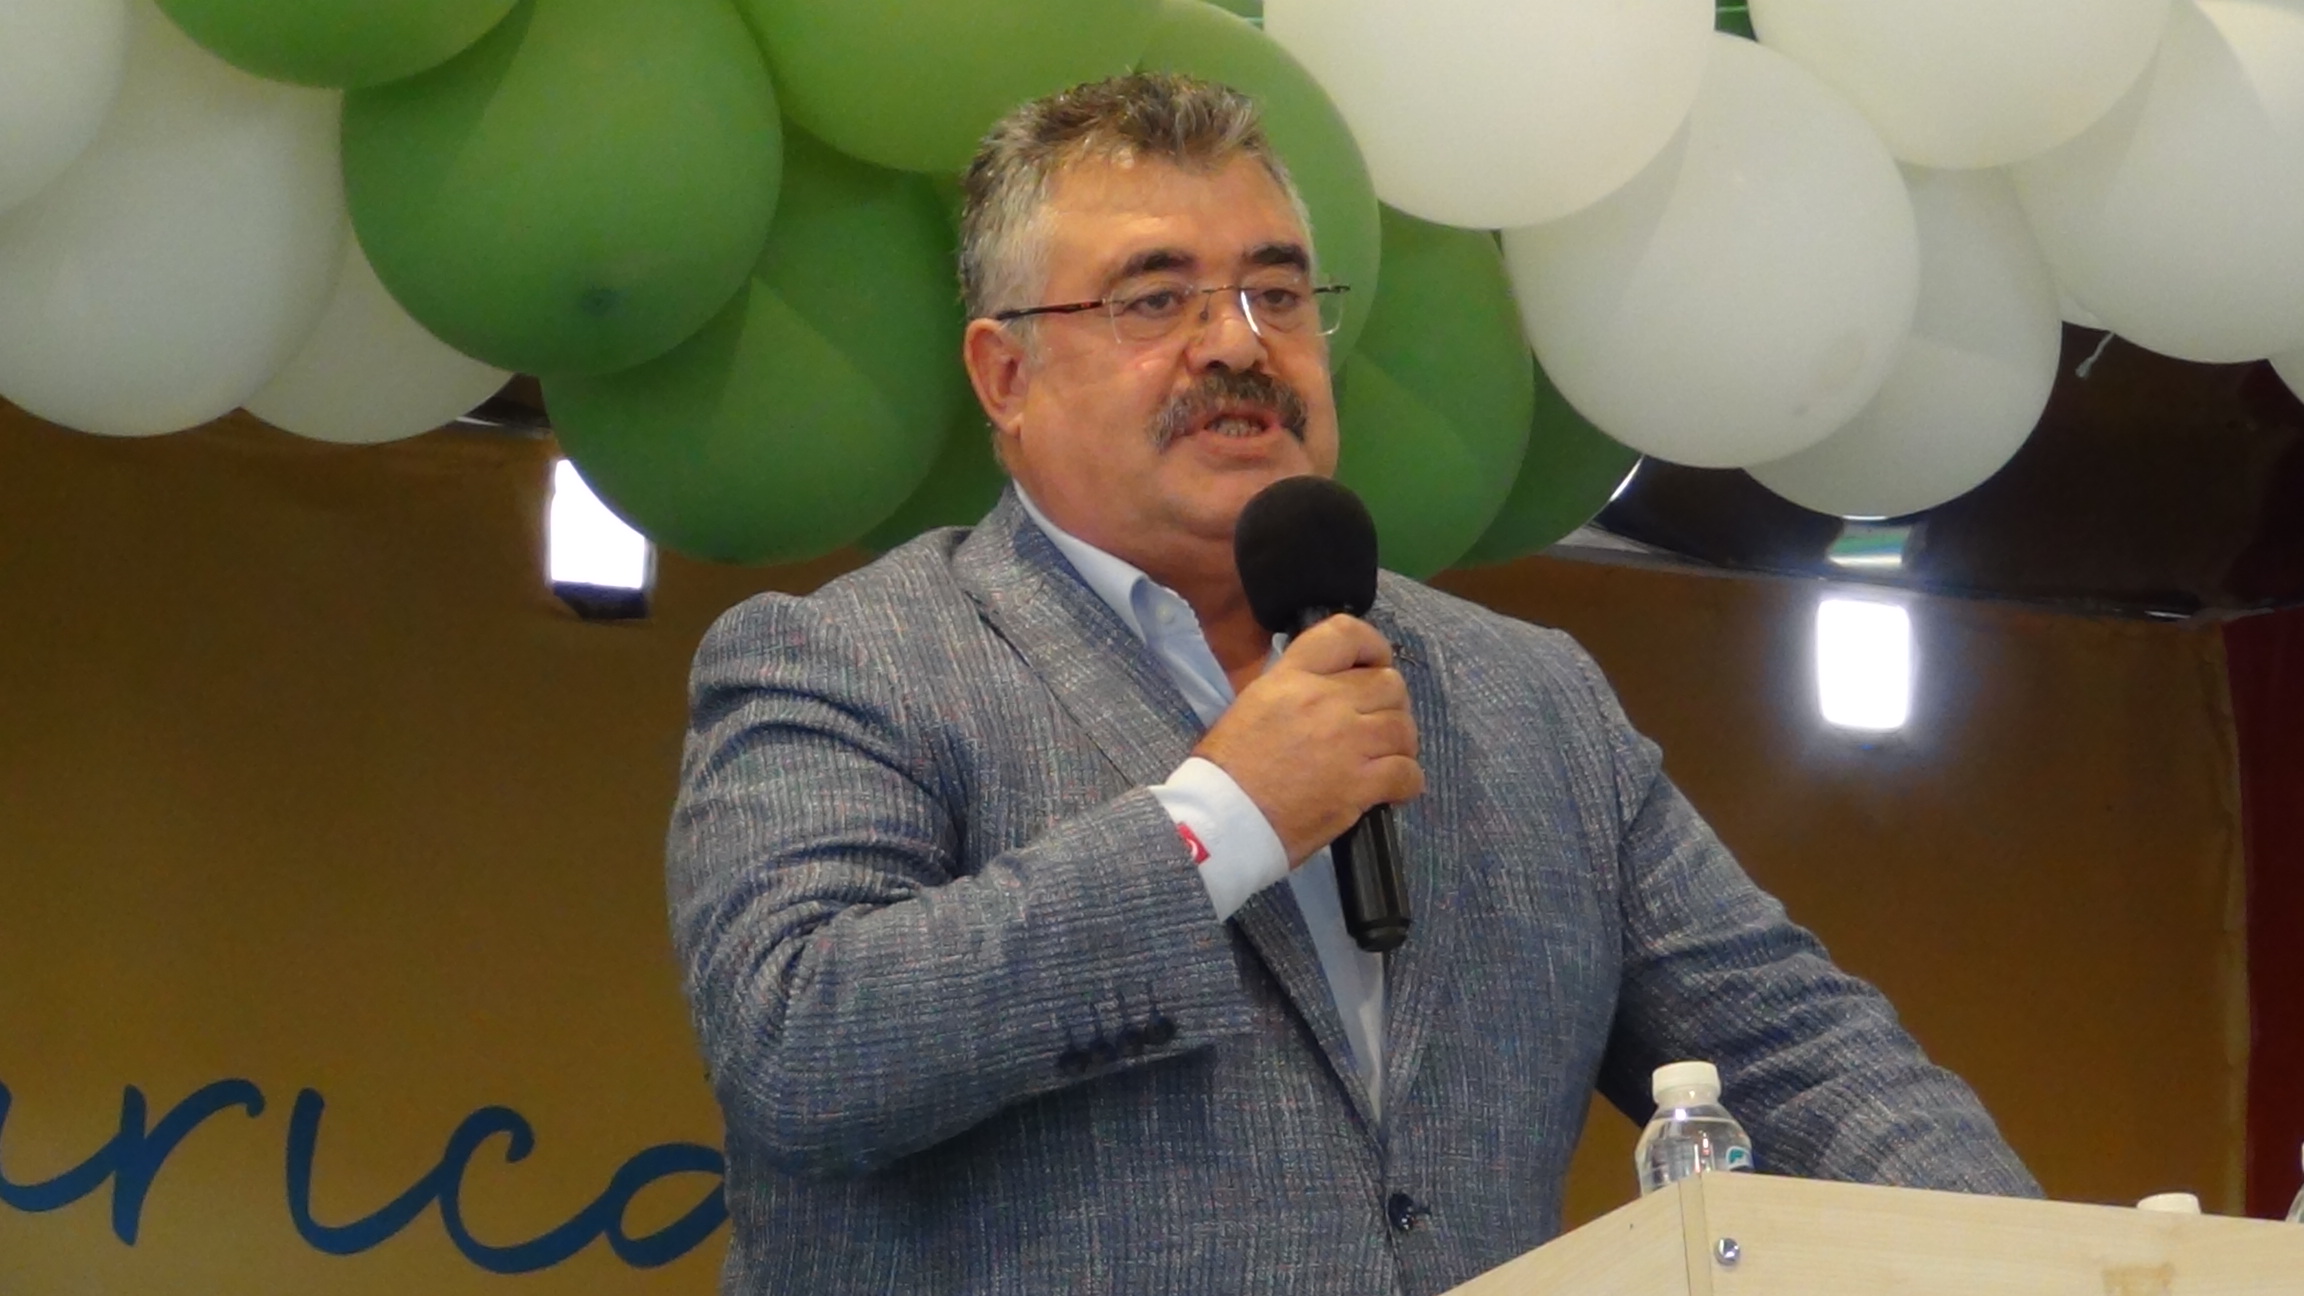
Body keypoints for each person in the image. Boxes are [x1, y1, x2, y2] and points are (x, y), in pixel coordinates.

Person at [666, 73, 2036, 1295]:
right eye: (1156, 298)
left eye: (1277, 293)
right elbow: (804, 1047)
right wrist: (1224, 820)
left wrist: (2041, 1264)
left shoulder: (1527, 700)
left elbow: (1800, 1055)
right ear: (1005, 373)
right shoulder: (853, 662)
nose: (1237, 343)